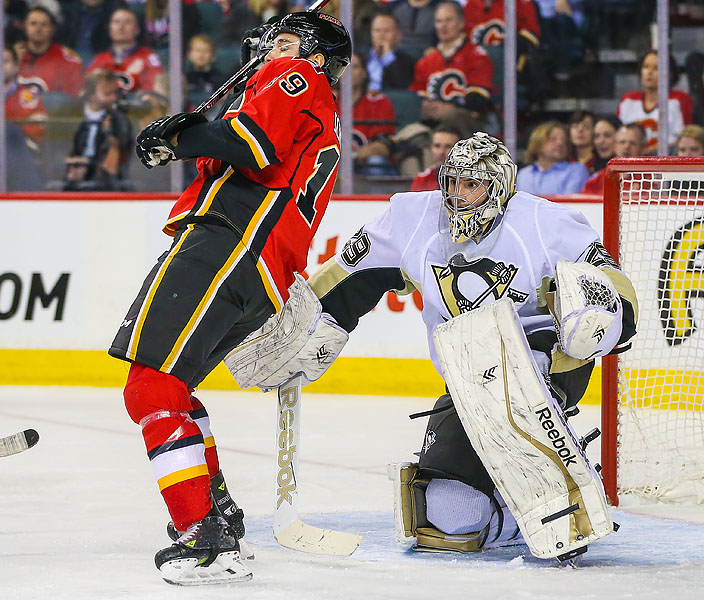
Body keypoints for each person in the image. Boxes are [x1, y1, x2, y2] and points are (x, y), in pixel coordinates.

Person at [225, 132, 638, 560]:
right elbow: (346, 282)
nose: (457, 195)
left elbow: (616, 296)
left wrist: (602, 321)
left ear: (499, 186)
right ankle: (517, 513)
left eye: (471, 184)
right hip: (468, 382)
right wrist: (298, 330)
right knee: (450, 520)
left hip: (543, 370)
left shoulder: (546, 224)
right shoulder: (413, 218)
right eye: (452, 183)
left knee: (519, 402)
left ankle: (563, 492)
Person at [107, 12, 351, 585]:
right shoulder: (297, 91)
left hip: (231, 242)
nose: (269, 48)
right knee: (172, 385)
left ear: (314, 57)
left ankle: (204, 538)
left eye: (284, 41)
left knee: (151, 386)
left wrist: (180, 137)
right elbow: (239, 145)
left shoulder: (297, 76)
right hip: (254, 263)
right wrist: (191, 137)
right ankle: (214, 514)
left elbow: (252, 145)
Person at [410, 1, 494, 120]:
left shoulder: (477, 56)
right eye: (439, 21)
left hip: (467, 120)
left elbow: (477, 98)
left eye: (449, 20)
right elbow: (417, 96)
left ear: (461, 23)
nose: (443, 26)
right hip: (431, 121)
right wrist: (425, 108)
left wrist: (453, 109)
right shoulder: (426, 61)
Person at [63, 68, 132, 191]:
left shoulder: (119, 121)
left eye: (114, 93)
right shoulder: (69, 115)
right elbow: (55, 149)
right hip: (71, 176)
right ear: (91, 94)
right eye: (107, 94)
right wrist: (71, 164)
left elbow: (123, 157)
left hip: (105, 182)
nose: (113, 98)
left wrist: (110, 135)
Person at [617, 49, 693, 154]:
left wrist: (653, 151)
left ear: (669, 73)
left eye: (656, 68)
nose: (649, 72)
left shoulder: (679, 100)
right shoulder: (628, 101)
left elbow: (688, 139)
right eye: (646, 67)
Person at [86, 8, 163, 94]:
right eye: (116, 22)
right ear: (110, 29)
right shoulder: (99, 58)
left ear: (137, 29)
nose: (121, 27)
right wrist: (130, 75)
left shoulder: (148, 57)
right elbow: (89, 90)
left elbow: (154, 91)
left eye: (127, 22)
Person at [18, 6, 83, 97]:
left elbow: (73, 100)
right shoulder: (12, 55)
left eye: (44, 24)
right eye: (33, 24)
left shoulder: (68, 60)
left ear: (53, 29)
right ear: (25, 27)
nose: (38, 29)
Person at [517, 121, 590, 196]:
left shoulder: (576, 170)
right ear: (537, 143)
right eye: (553, 139)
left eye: (564, 140)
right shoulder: (523, 174)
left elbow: (568, 202)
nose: (560, 143)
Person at [580, 123, 647, 195]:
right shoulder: (596, 180)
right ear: (615, 146)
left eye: (632, 143)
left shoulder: (650, 181)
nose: (626, 146)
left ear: (643, 149)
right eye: (622, 142)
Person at [3, 44, 47, 152]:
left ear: (16, 66)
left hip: (17, 153)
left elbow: (37, 130)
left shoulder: (29, 97)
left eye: (5, 61)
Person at [366, 12, 417, 91]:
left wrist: (388, 56)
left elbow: (401, 86)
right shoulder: (360, 58)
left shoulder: (407, 61)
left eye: (387, 31)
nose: (381, 35)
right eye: (377, 30)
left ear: (398, 36)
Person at [411, 124, 461, 190]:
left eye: (448, 146)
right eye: (437, 146)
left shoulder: (470, 179)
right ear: (431, 148)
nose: (441, 152)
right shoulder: (421, 180)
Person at [185, 34, 227, 101]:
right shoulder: (183, 79)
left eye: (205, 51)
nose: (201, 55)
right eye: (197, 50)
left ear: (213, 56)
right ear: (190, 55)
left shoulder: (221, 80)